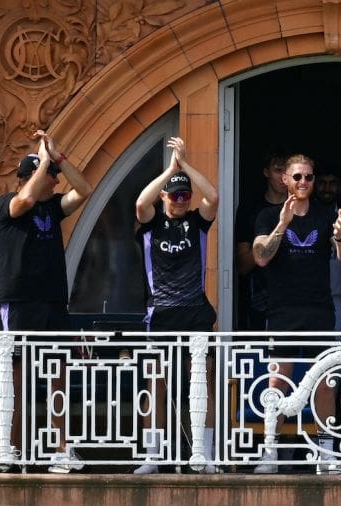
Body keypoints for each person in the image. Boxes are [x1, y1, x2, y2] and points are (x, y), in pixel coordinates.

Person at [0, 130, 93, 473]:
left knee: (58, 371)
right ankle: (9, 446)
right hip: (20, 299)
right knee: (16, 371)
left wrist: (60, 158)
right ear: (33, 177)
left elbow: (84, 190)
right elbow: (24, 201)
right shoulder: (6, 203)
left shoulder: (53, 206)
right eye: (50, 175)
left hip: (52, 300)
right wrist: (44, 162)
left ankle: (61, 448)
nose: (54, 181)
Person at [251, 154, 341, 474]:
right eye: (297, 177)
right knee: (278, 380)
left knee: (325, 381)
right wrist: (283, 224)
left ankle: (326, 450)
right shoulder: (268, 215)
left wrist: (339, 236)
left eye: (308, 177)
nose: (304, 183)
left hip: (320, 309)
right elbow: (261, 257)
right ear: (285, 180)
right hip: (282, 310)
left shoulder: (326, 216)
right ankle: (269, 451)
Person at [133, 137, 220, 474]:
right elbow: (141, 203)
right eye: (176, 195)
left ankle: (203, 452)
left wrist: (186, 167)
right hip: (161, 311)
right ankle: (152, 455)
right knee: (155, 379)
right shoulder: (152, 222)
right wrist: (170, 170)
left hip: (195, 310)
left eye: (186, 195)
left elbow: (212, 197)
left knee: (202, 378)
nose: (182, 200)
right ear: (165, 197)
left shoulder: (197, 221)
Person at [234, 149, 288, 330]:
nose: (283, 177)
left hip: (298, 297)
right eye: (278, 170)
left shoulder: (305, 208)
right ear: (266, 172)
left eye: (288, 172)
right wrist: (274, 236)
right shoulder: (251, 209)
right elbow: (243, 265)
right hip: (259, 296)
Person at [315, 169, 341, 331]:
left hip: (337, 298)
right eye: (322, 183)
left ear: (339, 187)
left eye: (332, 184)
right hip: (309, 300)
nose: (327, 188)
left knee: (338, 355)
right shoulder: (305, 212)